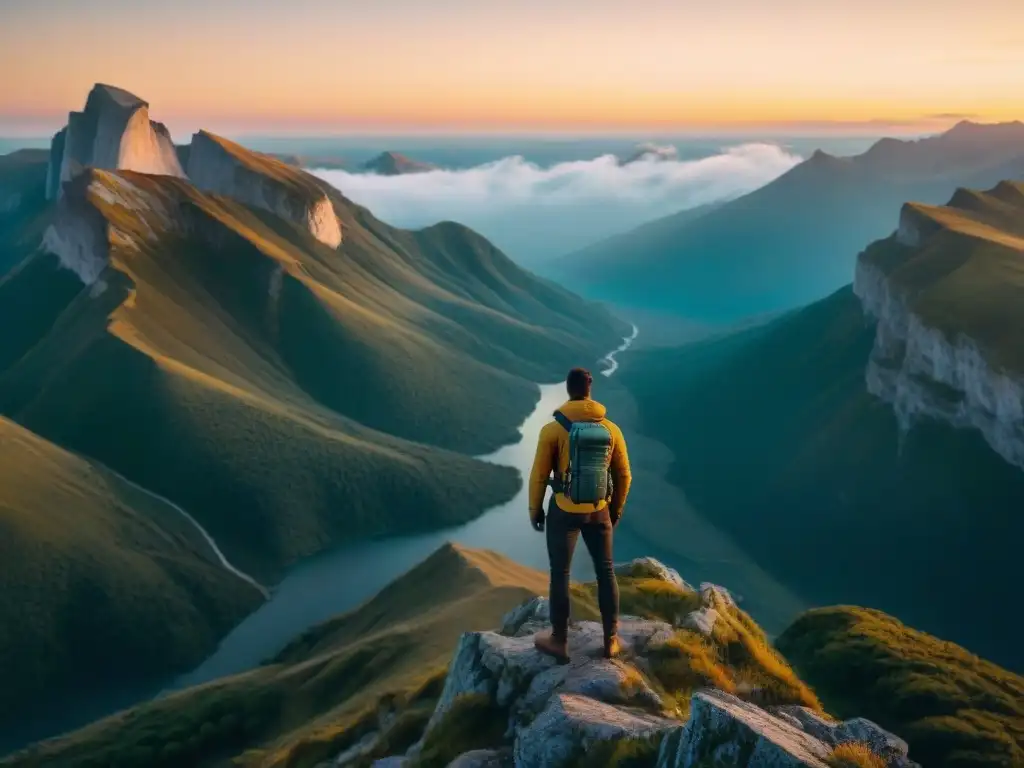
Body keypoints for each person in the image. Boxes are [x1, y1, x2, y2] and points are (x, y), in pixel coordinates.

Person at [527, 367, 632, 662]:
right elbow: (624, 475)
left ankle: (559, 641)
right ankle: (610, 640)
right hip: (599, 511)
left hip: (564, 509)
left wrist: (536, 509)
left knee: (560, 573)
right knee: (606, 571)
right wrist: (614, 509)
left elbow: (539, 475)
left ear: (569, 389)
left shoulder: (553, 430)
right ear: (590, 389)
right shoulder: (611, 430)